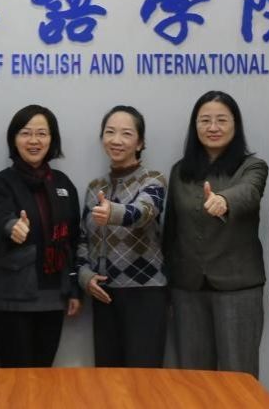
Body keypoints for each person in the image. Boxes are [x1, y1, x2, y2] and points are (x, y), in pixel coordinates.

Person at [163, 91, 268, 377]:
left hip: (238, 287)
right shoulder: (179, 171)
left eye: (221, 120)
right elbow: (171, 231)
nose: (213, 127)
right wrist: (168, 285)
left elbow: (249, 192)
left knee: (239, 377)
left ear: (235, 125)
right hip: (187, 289)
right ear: (195, 126)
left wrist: (224, 200)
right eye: (205, 120)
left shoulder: (252, 166)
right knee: (194, 379)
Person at [0, 104, 81, 368]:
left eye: (42, 133)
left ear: (52, 139)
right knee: (16, 378)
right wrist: (13, 227)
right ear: (14, 139)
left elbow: (73, 241)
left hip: (54, 296)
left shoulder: (63, 184)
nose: (34, 141)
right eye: (26, 133)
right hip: (11, 298)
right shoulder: (0, 182)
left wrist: (74, 290)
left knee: (43, 377)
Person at [76, 105, 168, 368]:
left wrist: (113, 212)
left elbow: (144, 212)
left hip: (146, 294)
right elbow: (83, 239)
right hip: (103, 294)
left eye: (126, 134)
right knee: (107, 380)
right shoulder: (95, 187)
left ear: (140, 143)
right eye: (110, 132)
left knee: (143, 379)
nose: (116, 140)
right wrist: (85, 277)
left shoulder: (153, 179)